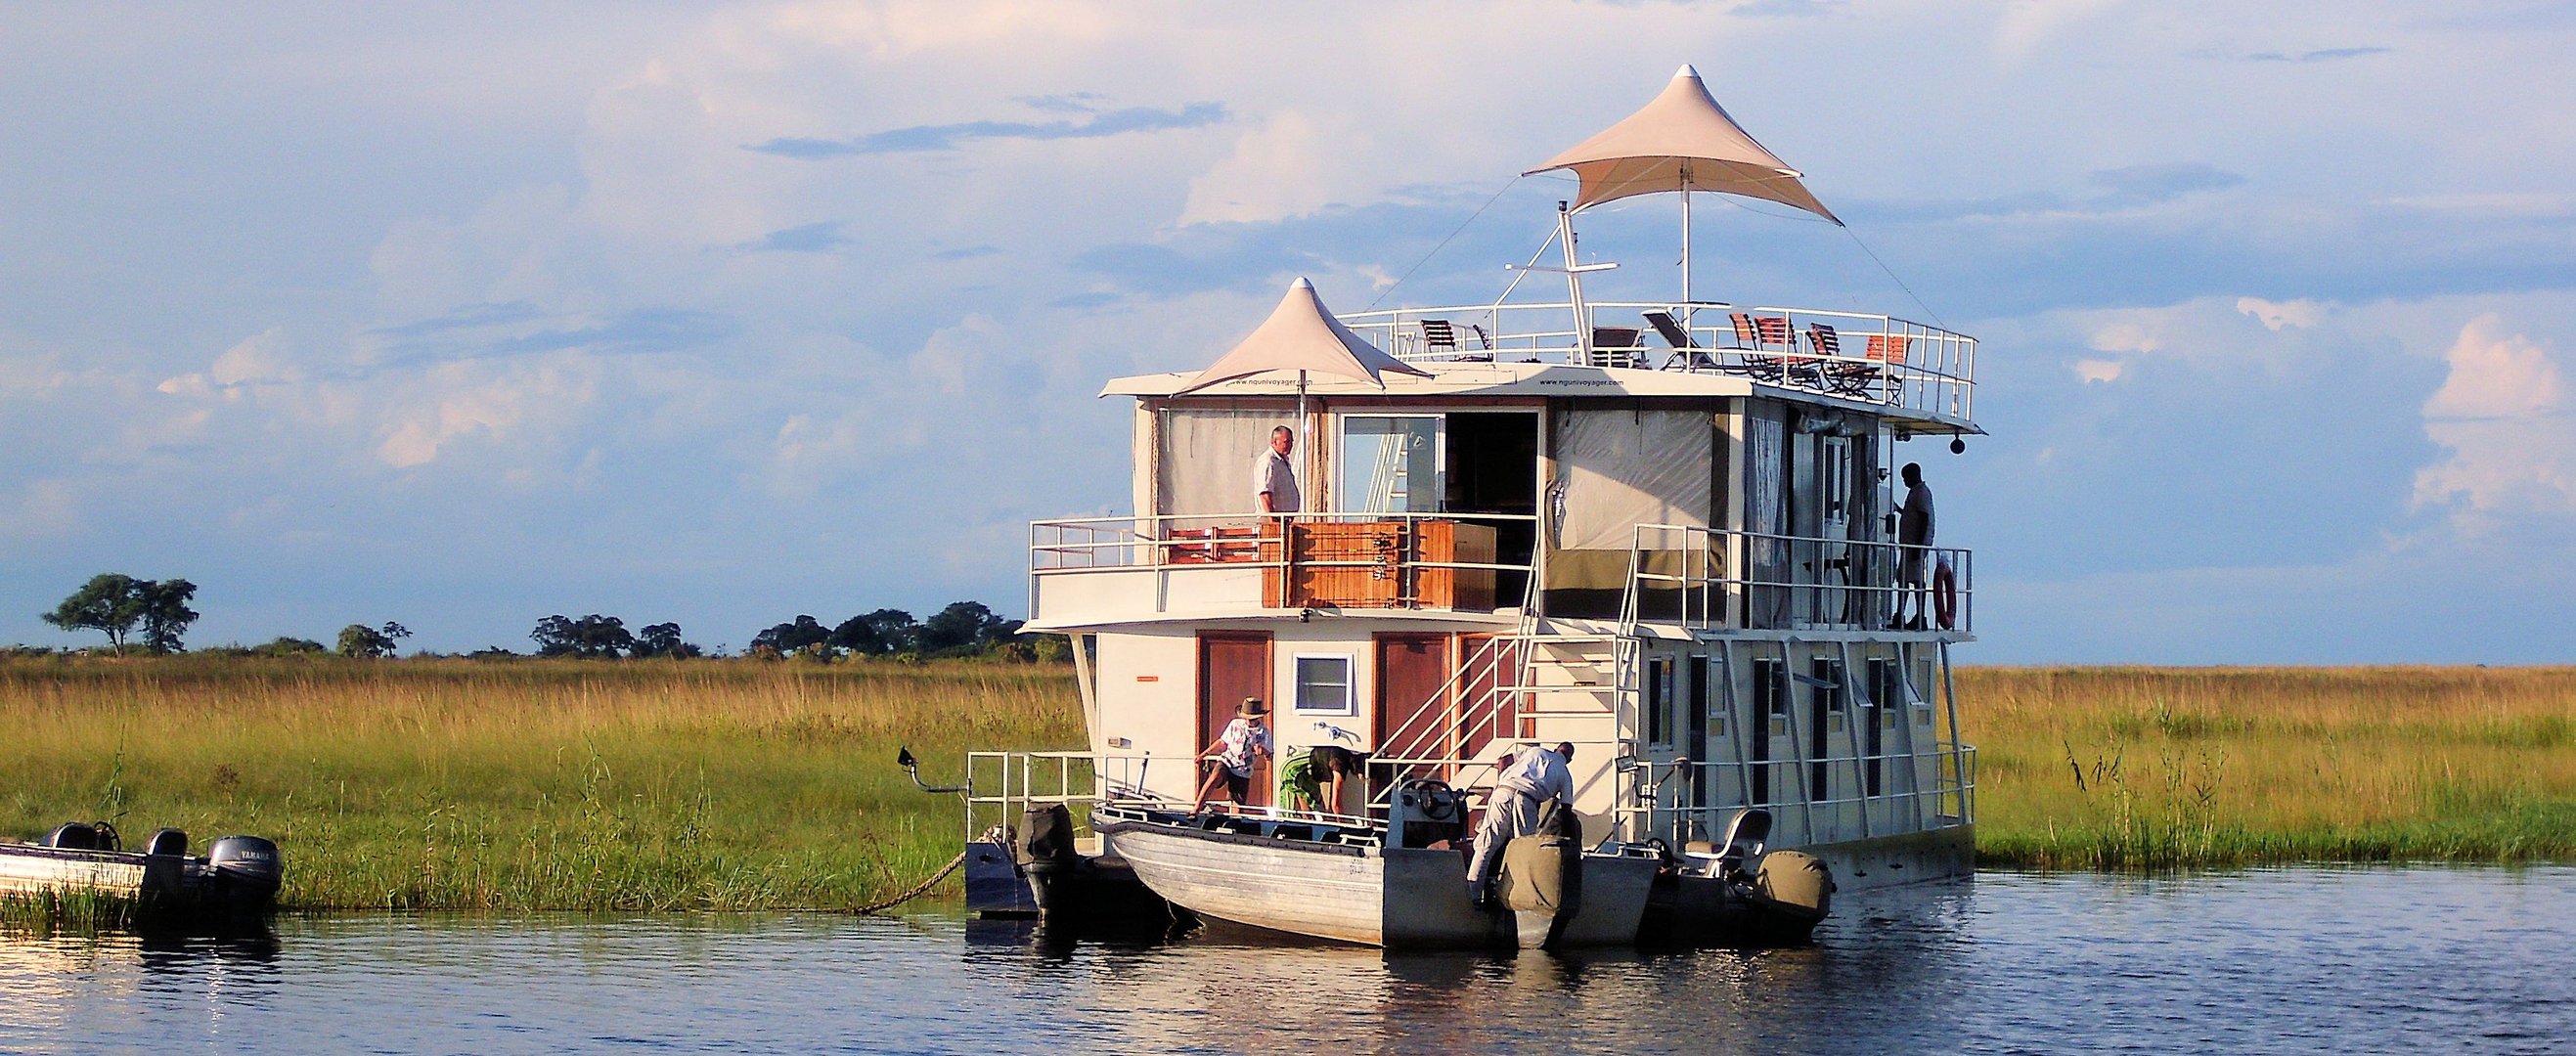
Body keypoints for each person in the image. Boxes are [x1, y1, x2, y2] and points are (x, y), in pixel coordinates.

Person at [1465, 741, 1577, 906]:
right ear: (1569, 759)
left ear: (1555, 749)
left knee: (1486, 845)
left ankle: (1471, 897)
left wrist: (1500, 782)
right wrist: (1571, 840)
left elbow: (1503, 760)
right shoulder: (1565, 774)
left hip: (1503, 792)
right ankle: (1518, 900)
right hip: (1527, 800)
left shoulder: (1535, 751)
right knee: (1524, 852)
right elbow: (1566, 810)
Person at [1191, 697, 1274, 814]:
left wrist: (1263, 751)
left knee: (1238, 802)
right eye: (1247, 718)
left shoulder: (1263, 732)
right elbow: (1222, 742)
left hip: (1243, 769)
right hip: (1228, 760)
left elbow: (1269, 756)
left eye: (1252, 719)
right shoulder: (1235, 724)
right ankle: (1196, 809)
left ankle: (1235, 823)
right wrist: (1203, 754)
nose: (1249, 721)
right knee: (1215, 777)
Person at [1892, 462, 1935, 631]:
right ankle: (1900, 615)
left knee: (1916, 581)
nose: (1904, 481)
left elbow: (1925, 518)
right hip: (1909, 545)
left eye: (1905, 478)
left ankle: (1920, 616)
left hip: (1914, 545)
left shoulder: (1921, 493)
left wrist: (1918, 546)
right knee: (1903, 579)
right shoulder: (1916, 493)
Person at [1278, 744, 1364, 815]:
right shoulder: (1339, 765)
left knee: (1314, 802)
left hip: (1299, 770)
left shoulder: (1344, 755)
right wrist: (1341, 824)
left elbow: (1333, 797)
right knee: (1314, 806)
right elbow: (1336, 804)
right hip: (1292, 771)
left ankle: (1305, 825)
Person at [1255, 425, 1302, 514]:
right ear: (1275, 442)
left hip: (1284, 519)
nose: (1290, 445)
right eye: (1286, 442)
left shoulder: (1282, 461)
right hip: (1274, 522)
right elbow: (1265, 494)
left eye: (1291, 442)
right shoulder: (1268, 462)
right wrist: (1273, 521)